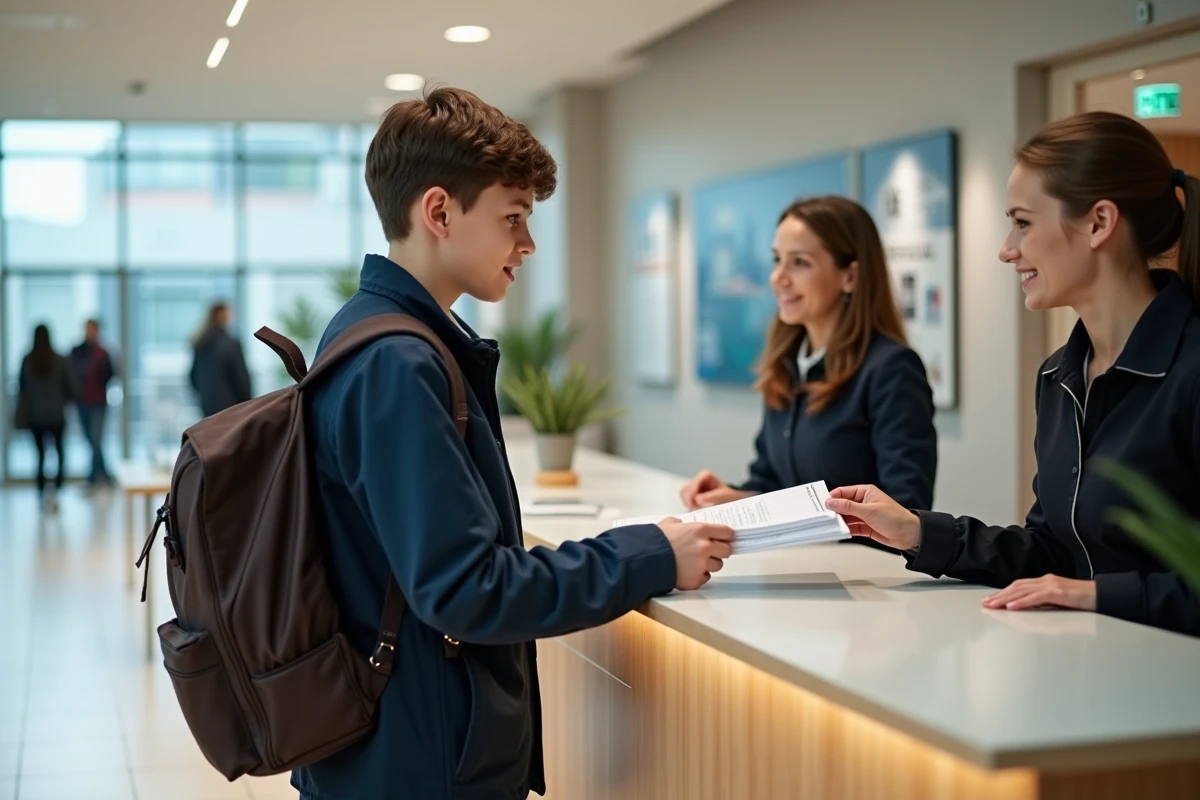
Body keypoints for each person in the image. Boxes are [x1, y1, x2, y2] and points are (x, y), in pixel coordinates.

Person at [291, 87, 734, 800]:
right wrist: (650, 554)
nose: (527, 244)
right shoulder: (397, 363)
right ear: (438, 212)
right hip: (416, 763)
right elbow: (468, 588)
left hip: (399, 747)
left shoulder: (378, 334)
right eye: (514, 218)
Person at [825, 111, 1200, 637]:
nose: (1006, 249)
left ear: (1099, 223)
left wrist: (1094, 595)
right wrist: (914, 532)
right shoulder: (1060, 378)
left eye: (1023, 223)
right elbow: (1049, 549)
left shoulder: (1191, 370)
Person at [680, 196, 938, 532]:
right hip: (796, 567)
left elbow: (906, 510)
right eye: (777, 260)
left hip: (861, 576)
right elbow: (771, 480)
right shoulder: (785, 364)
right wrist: (733, 497)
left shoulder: (892, 370)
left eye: (799, 262)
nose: (778, 277)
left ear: (850, 276)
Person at [19, 325, 75, 512]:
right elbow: (70, 388)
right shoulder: (59, 359)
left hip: (36, 417)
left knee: (40, 457)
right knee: (60, 455)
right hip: (56, 415)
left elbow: (22, 389)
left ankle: (42, 493)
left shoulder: (27, 360)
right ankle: (57, 492)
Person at [70, 318, 116, 489]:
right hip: (82, 402)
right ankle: (103, 474)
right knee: (90, 441)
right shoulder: (76, 352)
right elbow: (70, 374)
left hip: (98, 402)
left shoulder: (103, 353)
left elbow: (111, 374)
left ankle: (93, 477)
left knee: (96, 440)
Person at [188, 301, 252, 417]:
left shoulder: (200, 344)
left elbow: (192, 378)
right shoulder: (231, 344)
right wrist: (248, 405)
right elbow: (241, 380)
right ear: (223, 316)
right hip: (230, 409)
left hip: (207, 407)